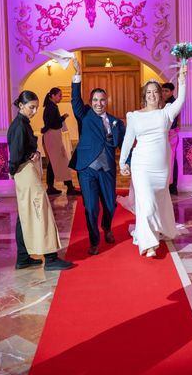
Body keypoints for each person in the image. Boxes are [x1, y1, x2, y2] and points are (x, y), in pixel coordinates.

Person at [119, 66, 187, 257]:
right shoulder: (134, 116)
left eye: (155, 92)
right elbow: (127, 139)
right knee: (147, 203)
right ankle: (149, 243)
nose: (152, 95)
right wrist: (123, 162)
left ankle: (160, 229)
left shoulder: (166, 113)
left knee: (160, 198)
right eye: (148, 92)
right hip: (141, 165)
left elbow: (181, 99)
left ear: (160, 95)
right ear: (144, 95)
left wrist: (182, 80)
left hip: (161, 166)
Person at [7, 90, 73, 271]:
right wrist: (12, 169)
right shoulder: (19, 126)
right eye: (31, 107)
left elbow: (22, 149)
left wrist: (33, 153)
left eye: (36, 107)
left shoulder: (21, 124)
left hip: (24, 171)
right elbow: (15, 154)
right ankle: (51, 259)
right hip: (25, 173)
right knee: (41, 211)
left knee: (25, 214)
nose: (35, 111)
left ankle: (22, 257)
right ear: (21, 106)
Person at [69, 58, 125, 255]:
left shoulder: (116, 121)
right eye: (95, 100)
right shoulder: (84, 115)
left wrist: (129, 162)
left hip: (107, 169)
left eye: (102, 100)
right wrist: (77, 75)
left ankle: (107, 227)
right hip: (87, 169)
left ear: (106, 101)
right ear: (91, 102)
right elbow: (75, 101)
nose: (98, 104)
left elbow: (123, 145)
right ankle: (94, 241)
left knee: (110, 205)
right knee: (91, 207)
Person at [42, 87, 78, 196]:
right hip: (52, 136)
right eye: (59, 95)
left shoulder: (52, 107)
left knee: (54, 163)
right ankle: (69, 187)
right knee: (61, 161)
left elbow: (54, 122)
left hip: (53, 136)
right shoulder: (50, 108)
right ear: (52, 95)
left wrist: (61, 118)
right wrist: (45, 129)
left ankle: (51, 187)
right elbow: (51, 124)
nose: (61, 97)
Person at [162, 81, 180, 194]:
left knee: (171, 160)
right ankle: (169, 185)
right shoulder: (164, 102)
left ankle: (172, 186)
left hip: (171, 134)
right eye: (163, 91)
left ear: (172, 92)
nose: (164, 93)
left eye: (166, 91)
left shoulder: (174, 103)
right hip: (165, 134)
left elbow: (171, 122)